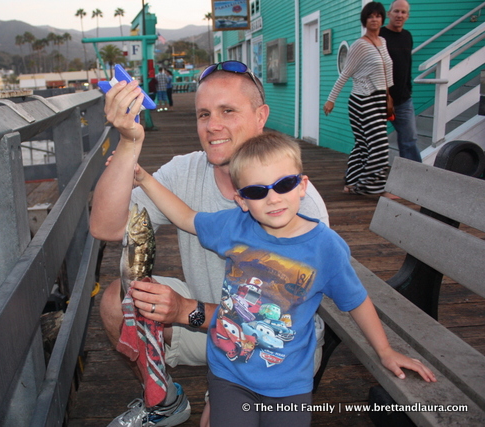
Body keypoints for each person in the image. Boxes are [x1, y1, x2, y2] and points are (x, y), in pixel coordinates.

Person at [134, 132, 437, 427]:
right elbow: (186, 217)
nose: (272, 198)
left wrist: (385, 351)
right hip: (228, 373)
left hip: (288, 383)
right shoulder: (235, 226)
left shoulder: (325, 248)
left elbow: (355, 301)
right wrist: (144, 178)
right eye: (256, 191)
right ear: (242, 200)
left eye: (284, 184)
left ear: (302, 185)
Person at [90, 60, 329, 426]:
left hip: (274, 348)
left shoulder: (295, 203)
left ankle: (222, 387)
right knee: (115, 301)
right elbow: (106, 227)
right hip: (205, 323)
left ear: (260, 115)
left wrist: (184, 309)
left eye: (228, 111)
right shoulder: (186, 170)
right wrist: (129, 141)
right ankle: (163, 399)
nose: (213, 126)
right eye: (203, 114)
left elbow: (266, 324)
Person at [324, 2, 394, 196]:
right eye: (370, 16)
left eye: (377, 15)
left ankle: (353, 182)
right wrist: (331, 99)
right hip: (363, 99)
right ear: (365, 20)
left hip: (380, 98)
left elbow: (387, 73)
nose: (374, 19)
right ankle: (372, 187)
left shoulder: (383, 41)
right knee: (379, 145)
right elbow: (345, 73)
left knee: (364, 143)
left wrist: (389, 98)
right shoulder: (359, 45)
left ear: (382, 18)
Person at [380, 0, 422, 162]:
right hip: (379, 99)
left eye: (403, 12)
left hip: (403, 100)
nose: (399, 15)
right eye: (396, 11)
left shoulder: (407, 36)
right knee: (372, 141)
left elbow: (407, 65)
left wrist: (408, 89)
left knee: (409, 141)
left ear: (407, 16)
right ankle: (356, 176)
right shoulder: (380, 35)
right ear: (389, 14)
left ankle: (415, 177)